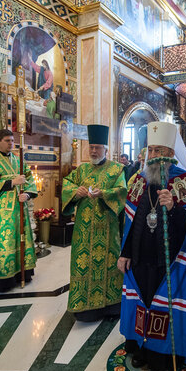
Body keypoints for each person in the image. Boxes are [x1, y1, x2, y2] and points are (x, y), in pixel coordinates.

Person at [117, 121, 186, 371]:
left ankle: (162, 356)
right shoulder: (138, 179)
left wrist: (174, 208)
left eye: (159, 150)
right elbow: (130, 220)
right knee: (141, 300)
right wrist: (125, 253)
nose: (153, 156)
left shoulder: (182, 180)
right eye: (151, 150)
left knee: (164, 305)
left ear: (170, 152)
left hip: (170, 261)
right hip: (140, 256)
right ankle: (139, 348)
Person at [62, 125, 127, 321]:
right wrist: (75, 191)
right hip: (83, 229)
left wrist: (104, 193)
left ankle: (112, 306)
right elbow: (67, 183)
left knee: (109, 264)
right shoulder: (81, 169)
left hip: (107, 227)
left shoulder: (117, 169)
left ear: (106, 149)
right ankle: (83, 307)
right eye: (91, 147)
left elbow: (122, 191)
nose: (93, 151)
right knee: (83, 263)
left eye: (98, 147)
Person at [0, 129, 37, 293]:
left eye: (12, 140)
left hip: (19, 209)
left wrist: (27, 193)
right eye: (7, 140)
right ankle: (1, 279)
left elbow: (29, 179)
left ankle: (21, 274)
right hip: (0, 212)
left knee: (20, 238)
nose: (11, 143)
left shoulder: (18, 160)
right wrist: (12, 182)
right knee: (3, 243)